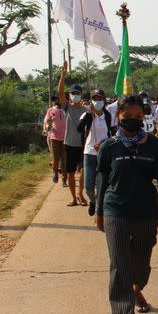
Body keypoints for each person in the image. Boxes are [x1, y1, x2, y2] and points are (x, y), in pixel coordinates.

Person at [95, 95, 158, 314]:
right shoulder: (109, 147)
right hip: (115, 211)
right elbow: (102, 180)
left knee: (141, 262)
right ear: (118, 118)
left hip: (146, 211)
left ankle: (136, 288)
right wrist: (98, 211)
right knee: (119, 264)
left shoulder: (153, 144)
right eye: (126, 117)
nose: (132, 121)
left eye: (136, 117)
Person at [78, 89, 113, 217]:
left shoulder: (108, 115)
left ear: (104, 100)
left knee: (101, 184)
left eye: (100, 99)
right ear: (91, 101)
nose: (97, 101)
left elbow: (112, 134)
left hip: (103, 154)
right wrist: (88, 114)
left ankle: (99, 209)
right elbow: (79, 129)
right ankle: (93, 201)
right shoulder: (87, 115)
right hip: (89, 153)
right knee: (88, 186)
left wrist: (103, 143)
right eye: (95, 99)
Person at [57, 62, 87, 207]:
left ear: (81, 95)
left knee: (83, 171)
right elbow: (60, 93)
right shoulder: (67, 108)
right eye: (73, 93)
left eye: (77, 93)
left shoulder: (87, 110)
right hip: (69, 144)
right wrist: (63, 76)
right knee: (70, 173)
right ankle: (73, 197)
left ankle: (80, 194)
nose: (75, 95)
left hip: (82, 145)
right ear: (70, 96)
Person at [42, 94, 66, 185]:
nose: (57, 101)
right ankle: (55, 172)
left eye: (59, 99)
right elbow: (46, 122)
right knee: (56, 159)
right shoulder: (50, 110)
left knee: (64, 160)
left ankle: (64, 179)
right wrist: (48, 125)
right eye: (55, 99)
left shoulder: (66, 110)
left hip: (65, 138)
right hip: (54, 137)